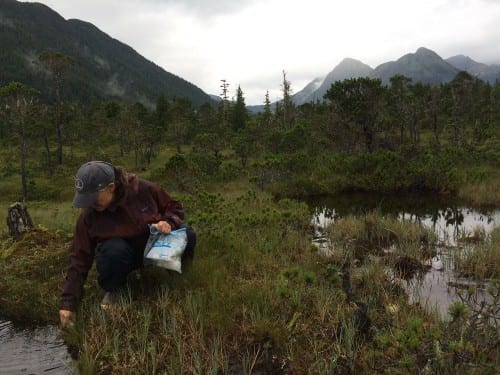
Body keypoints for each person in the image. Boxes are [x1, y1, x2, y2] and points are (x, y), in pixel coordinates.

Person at [59, 161, 196, 328]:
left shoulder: (143, 189)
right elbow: (79, 259)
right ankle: (115, 290)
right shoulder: (88, 217)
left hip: (155, 247)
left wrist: (168, 223)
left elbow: (174, 207)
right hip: (121, 258)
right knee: (113, 250)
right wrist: (68, 304)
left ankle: (177, 273)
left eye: (93, 197)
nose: (90, 203)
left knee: (187, 234)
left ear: (111, 187)